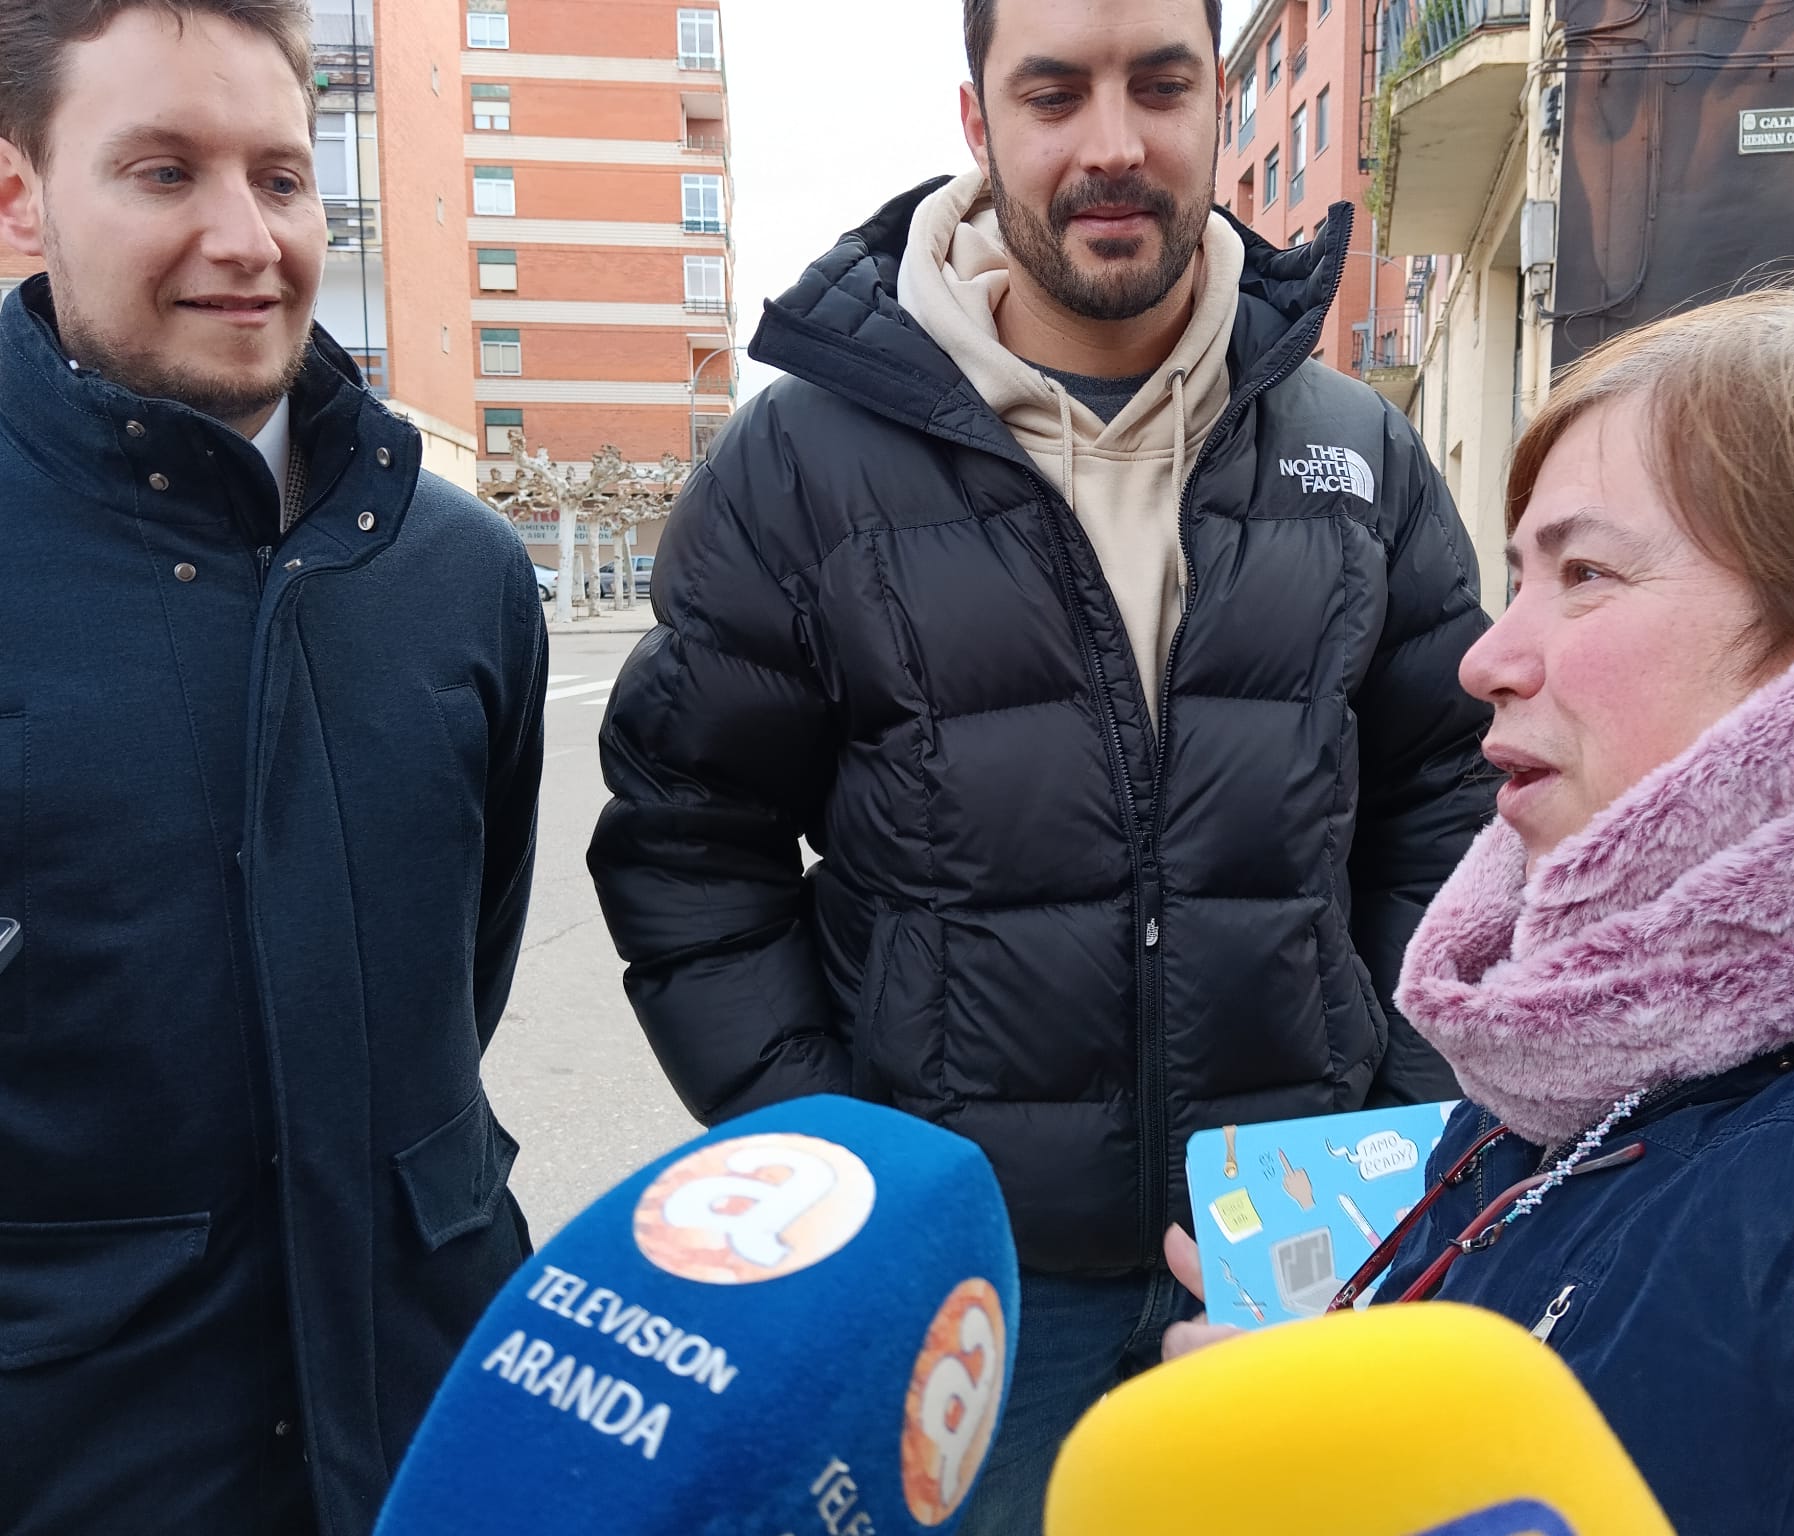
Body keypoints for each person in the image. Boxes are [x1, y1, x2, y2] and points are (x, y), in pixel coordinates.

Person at [588, 0, 1492, 1526]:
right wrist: (845, 1160)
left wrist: (1395, 1124)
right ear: (976, 120)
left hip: (1299, 1252)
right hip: (968, 1284)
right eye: (1055, 92)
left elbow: (1451, 811)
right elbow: (690, 844)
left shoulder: (1361, 453)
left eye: (1161, 85)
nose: (1114, 144)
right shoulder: (800, 466)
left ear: (1218, 104)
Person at [1162, 266, 1794, 1533]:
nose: (1486, 658)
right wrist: (1337, 1416)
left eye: (1585, 575)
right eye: (1520, 576)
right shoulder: (1577, 1029)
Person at [0, 4, 546, 1532]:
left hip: (439, 1439)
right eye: (164, 173)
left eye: (283, 179)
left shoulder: (465, 575)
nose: (246, 238)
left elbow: (456, 992)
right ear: (20, 196)